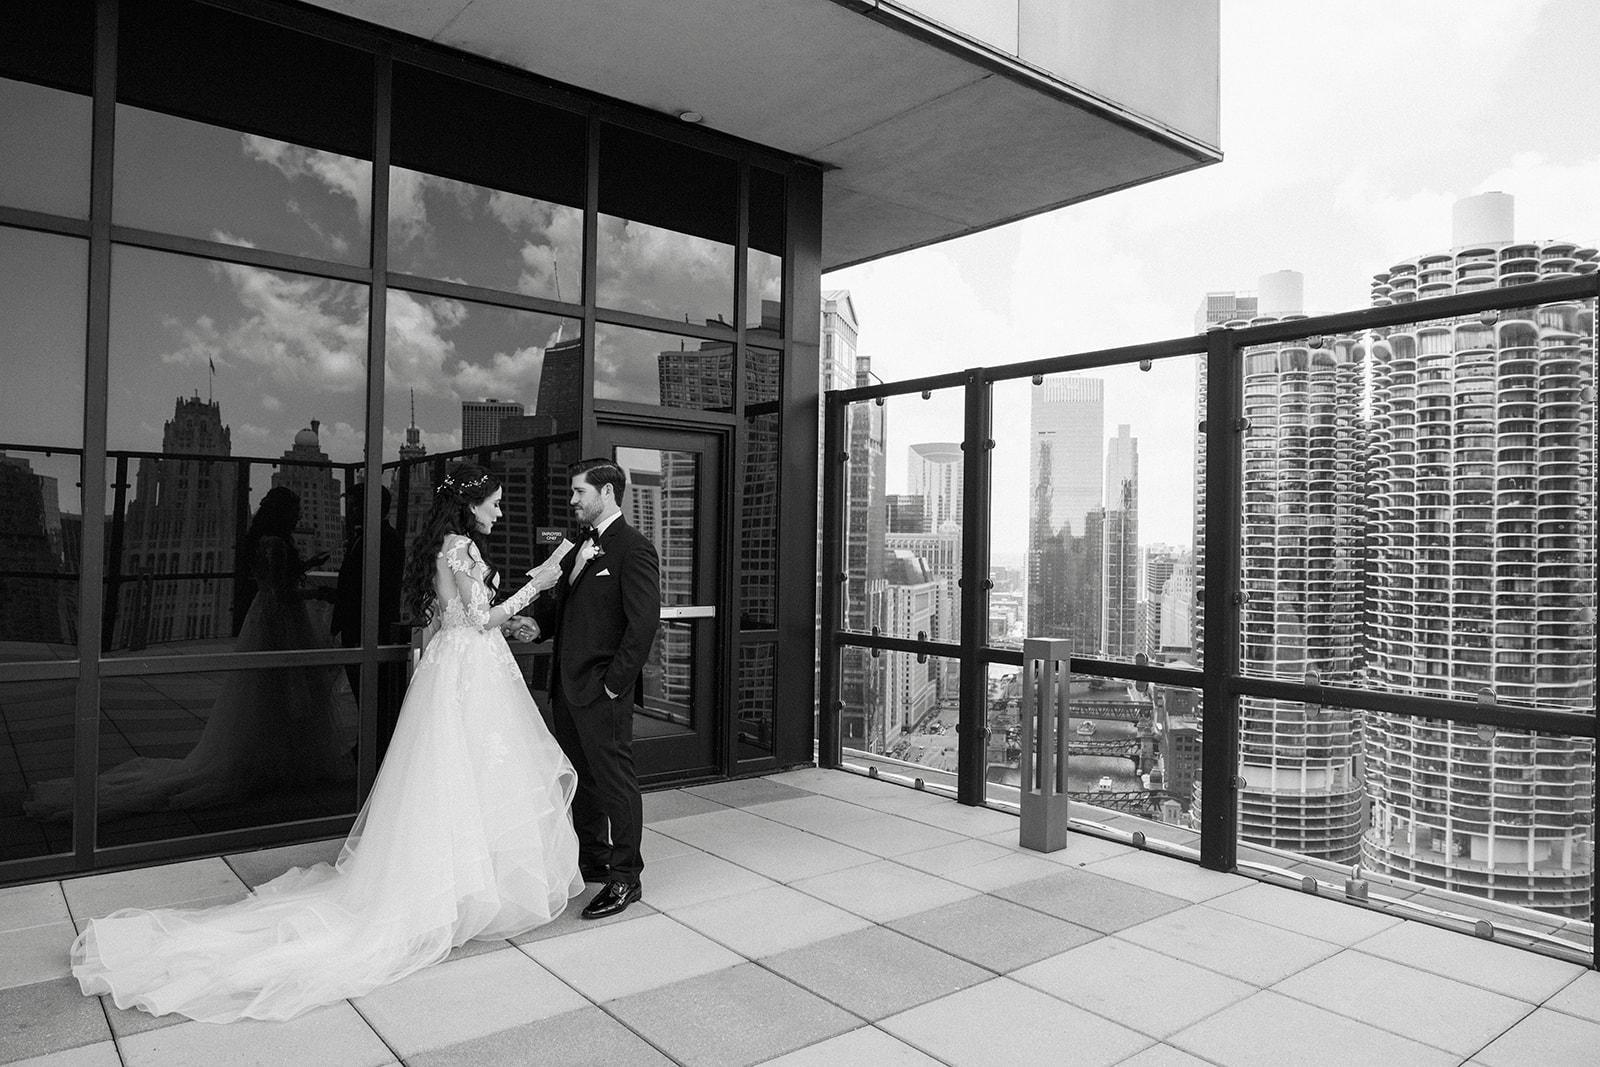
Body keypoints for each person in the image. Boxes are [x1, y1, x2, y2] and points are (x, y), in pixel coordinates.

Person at [67, 464, 577, 1023]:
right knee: (473, 774)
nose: (499, 511)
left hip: (457, 666)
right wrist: (539, 584)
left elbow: (446, 618)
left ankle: (460, 887)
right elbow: (478, 618)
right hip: (471, 668)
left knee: (456, 777)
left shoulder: (447, 547)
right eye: (494, 503)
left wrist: (502, 620)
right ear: (470, 505)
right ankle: (465, 890)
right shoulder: (461, 547)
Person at [25, 487, 346, 821]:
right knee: (283, 689)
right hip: (280, 620)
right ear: (282, 513)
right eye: (294, 510)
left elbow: (272, 583)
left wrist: (306, 565)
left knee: (266, 691)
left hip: (263, 617)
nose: (298, 516)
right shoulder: (276, 544)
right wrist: (318, 593)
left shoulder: (263, 541)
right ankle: (280, 763)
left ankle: (269, 761)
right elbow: (282, 593)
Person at [526, 457, 660, 920]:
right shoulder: (578, 544)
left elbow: (641, 626)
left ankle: (626, 878)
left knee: (615, 783)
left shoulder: (634, 549)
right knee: (581, 779)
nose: (572, 500)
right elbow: (570, 608)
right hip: (566, 688)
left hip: (602, 690)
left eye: (579, 491)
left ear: (606, 493)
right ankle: (594, 859)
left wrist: (614, 686)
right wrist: (537, 626)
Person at [330, 483, 405, 761]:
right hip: (358, 627)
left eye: (354, 505)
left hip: (371, 628)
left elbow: (378, 589)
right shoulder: (367, 537)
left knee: (373, 693)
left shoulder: (386, 540)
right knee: (364, 692)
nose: (350, 511)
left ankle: (375, 749)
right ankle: (370, 745)